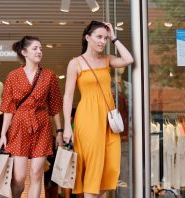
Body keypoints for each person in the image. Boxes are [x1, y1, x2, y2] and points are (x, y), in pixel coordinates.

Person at [62, 21, 134, 198]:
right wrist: (66, 126)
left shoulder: (107, 59)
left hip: (108, 119)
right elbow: (68, 96)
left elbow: (129, 59)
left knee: (110, 167)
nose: (103, 41)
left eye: (105, 38)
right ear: (88, 38)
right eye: (99, 37)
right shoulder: (75, 63)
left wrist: (114, 37)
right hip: (88, 118)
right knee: (94, 166)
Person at [0, 36, 64, 198]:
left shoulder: (49, 76)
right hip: (19, 125)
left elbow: (54, 107)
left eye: (41, 48)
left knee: (36, 174)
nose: (39, 51)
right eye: (35, 48)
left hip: (42, 125)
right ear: (24, 52)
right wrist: (2, 134)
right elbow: (8, 108)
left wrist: (60, 131)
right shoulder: (13, 76)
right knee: (19, 178)